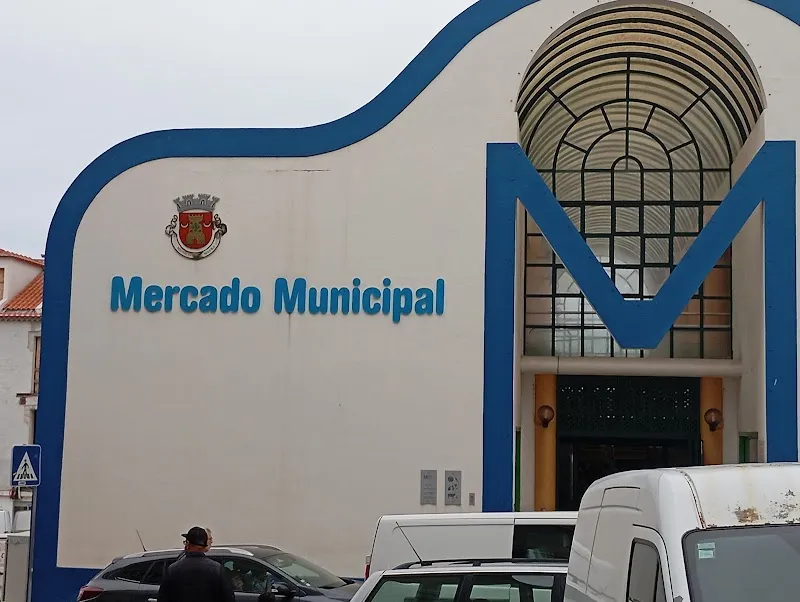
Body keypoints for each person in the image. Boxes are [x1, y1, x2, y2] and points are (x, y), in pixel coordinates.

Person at [157, 526, 235, 602]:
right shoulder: (217, 570)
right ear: (205, 545)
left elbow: (162, 598)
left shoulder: (173, 570)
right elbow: (228, 598)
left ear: (188, 543)